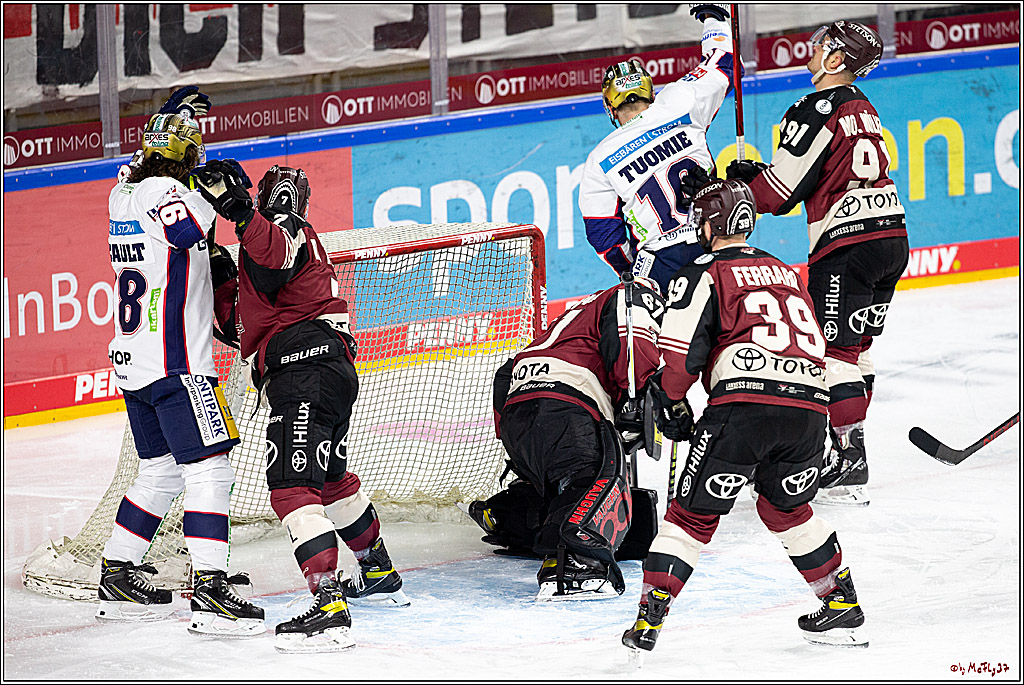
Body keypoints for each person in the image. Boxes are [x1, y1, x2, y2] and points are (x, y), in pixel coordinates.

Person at [622, 180, 868, 654]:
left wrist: (670, 402)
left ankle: (651, 615)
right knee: (785, 507)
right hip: (808, 411)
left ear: (711, 225)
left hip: (743, 407)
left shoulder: (703, 270)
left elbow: (677, 354)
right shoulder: (786, 273)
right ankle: (839, 597)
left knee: (691, 517)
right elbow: (815, 345)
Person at [192, 160, 409, 653]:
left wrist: (242, 214)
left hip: (304, 372)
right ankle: (377, 569)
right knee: (330, 481)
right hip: (325, 370)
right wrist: (222, 268)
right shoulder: (263, 256)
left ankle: (328, 606)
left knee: (292, 487)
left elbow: (274, 256)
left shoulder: (286, 232)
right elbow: (242, 324)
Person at [717, 21, 909, 506]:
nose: (813, 48)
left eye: (823, 45)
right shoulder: (863, 107)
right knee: (858, 346)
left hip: (847, 244)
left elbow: (779, 194)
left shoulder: (816, 106)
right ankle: (851, 445)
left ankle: (847, 457)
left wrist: (744, 184)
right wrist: (760, 175)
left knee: (834, 354)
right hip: (891, 237)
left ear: (837, 60)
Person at [98, 87, 265, 637]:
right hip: (177, 363)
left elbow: (149, 176)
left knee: (161, 471)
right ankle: (211, 588)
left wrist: (174, 124)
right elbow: (186, 229)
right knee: (210, 469)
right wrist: (216, 193)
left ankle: (118, 569)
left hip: (132, 360)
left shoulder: (119, 192)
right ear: (183, 157)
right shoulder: (170, 192)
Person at [481, 275, 664, 600]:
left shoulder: (573, 317)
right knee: (593, 479)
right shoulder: (635, 292)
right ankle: (575, 566)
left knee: (558, 486)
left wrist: (519, 452)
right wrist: (638, 394)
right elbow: (633, 341)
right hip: (566, 406)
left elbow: (504, 375)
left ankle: (516, 517)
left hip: (517, 413)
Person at [579, 3, 736, 296]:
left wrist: (636, 275)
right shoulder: (679, 100)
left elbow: (604, 238)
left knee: (674, 341)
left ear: (610, 107)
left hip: (660, 263)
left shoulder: (599, 159)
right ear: (651, 92)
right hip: (714, 238)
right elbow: (723, 61)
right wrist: (712, 15)